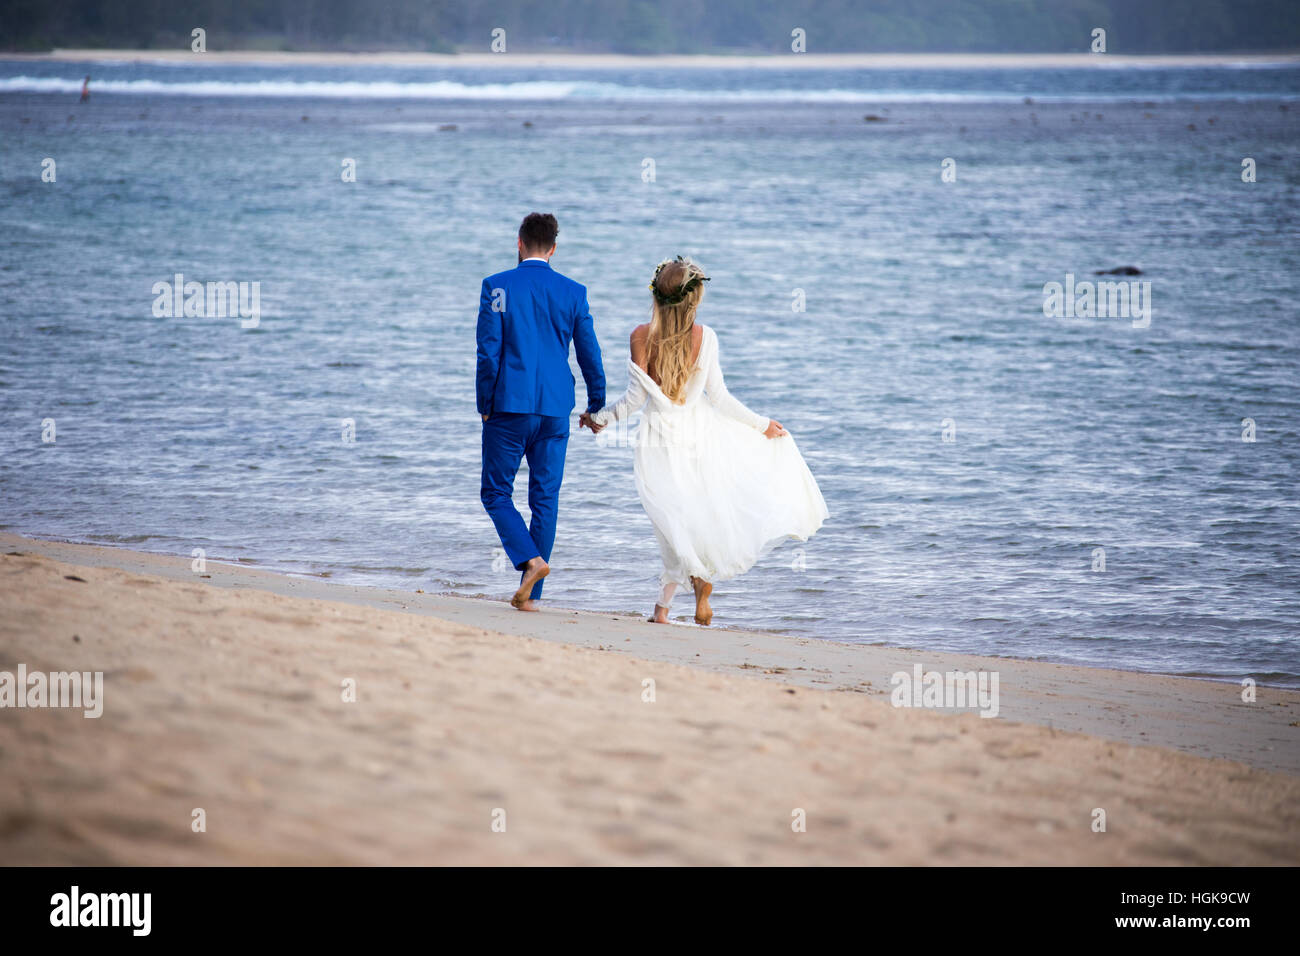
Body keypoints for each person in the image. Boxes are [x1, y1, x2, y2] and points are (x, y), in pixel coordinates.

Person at [582, 256, 828, 625]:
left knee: (671, 524)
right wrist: (762, 425)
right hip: (700, 435)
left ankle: (679, 596)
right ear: (693, 300)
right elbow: (721, 397)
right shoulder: (706, 338)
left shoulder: (640, 336)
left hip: (658, 442)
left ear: (657, 296)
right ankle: (670, 604)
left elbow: (634, 399)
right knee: (692, 519)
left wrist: (599, 419)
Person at [477, 212, 605, 611]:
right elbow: (590, 355)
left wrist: (484, 403)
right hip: (554, 409)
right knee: (545, 499)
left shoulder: (496, 286)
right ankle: (531, 596)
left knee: (496, 492)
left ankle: (531, 562)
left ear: (519, 243)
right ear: (553, 248)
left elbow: (488, 354)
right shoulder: (573, 292)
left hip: (508, 407)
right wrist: (596, 404)